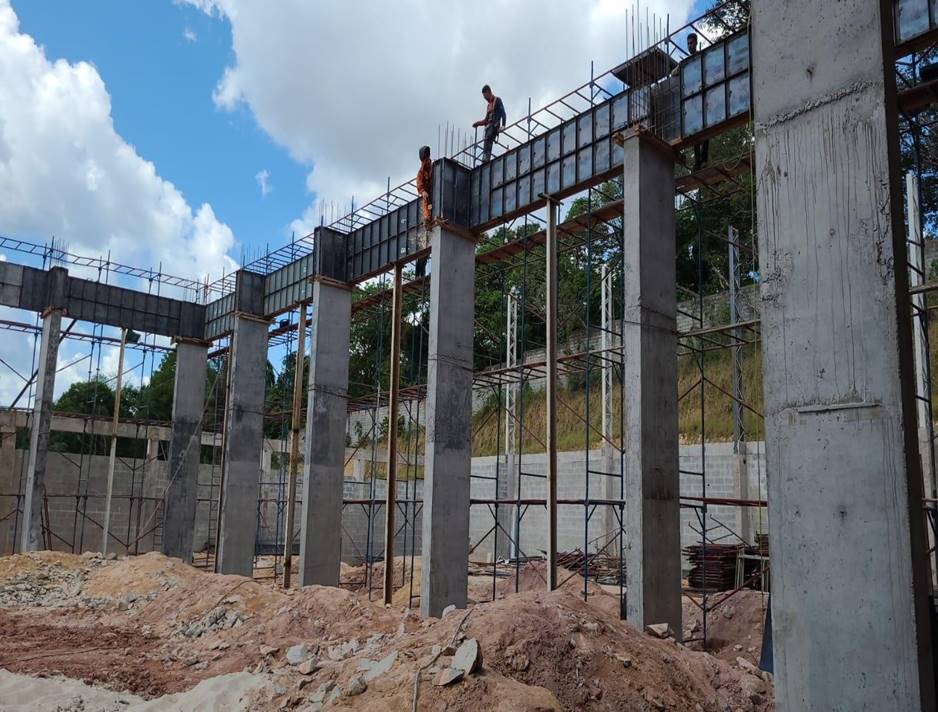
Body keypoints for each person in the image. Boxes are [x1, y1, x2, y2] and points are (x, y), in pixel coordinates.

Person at [472, 85, 506, 162]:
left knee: (488, 139)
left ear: (488, 92)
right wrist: (478, 123)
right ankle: (485, 160)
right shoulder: (489, 105)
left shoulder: (497, 100)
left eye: (485, 96)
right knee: (486, 141)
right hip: (489, 127)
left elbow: (503, 113)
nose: (485, 99)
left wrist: (503, 125)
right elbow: (485, 121)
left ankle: (486, 159)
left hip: (494, 125)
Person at [414, 145, 432, 277]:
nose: (426, 161)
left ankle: (421, 274)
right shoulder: (421, 172)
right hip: (427, 195)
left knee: (426, 252)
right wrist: (422, 191)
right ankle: (427, 220)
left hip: (434, 192)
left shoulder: (432, 166)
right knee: (425, 204)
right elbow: (419, 185)